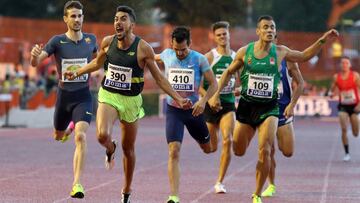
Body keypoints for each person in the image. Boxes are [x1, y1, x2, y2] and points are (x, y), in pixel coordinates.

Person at [64, 6, 191, 203]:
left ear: (132, 24)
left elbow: (159, 78)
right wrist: (78, 71)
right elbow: (97, 64)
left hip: (131, 101)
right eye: (116, 19)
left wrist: (178, 97)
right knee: (101, 135)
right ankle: (109, 148)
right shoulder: (108, 42)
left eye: (123, 19)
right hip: (109, 95)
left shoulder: (143, 48)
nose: (118, 22)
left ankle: (126, 190)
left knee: (128, 149)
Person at [208, 15, 338, 203]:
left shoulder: (281, 52)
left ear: (275, 32)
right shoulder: (245, 52)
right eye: (266, 27)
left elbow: (304, 55)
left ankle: (257, 194)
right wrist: (215, 94)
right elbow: (228, 72)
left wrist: (323, 39)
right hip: (246, 107)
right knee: (238, 150)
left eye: (272, 27)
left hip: (270, 108)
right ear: (258, 31)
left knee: (266, 149)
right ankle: (252, 155)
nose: (269, 30)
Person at [30, 1, 97, 198]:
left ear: (83, 17)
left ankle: (77, 184)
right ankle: (67, 129)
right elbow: (37, 62)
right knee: (58, 136)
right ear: (65, 19)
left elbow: (100, 59)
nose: (77, 19)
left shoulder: (91, 40)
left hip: (84, 96)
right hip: (64, 97)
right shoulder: (57, 41)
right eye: (73, 16)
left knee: (81, 136)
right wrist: (34, 57)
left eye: (80, 16)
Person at [156, 26, 217, 203]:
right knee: (174, 151)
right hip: (174, 111)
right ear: (171, 45)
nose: (180, 53)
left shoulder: (199, 59)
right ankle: (174, 195)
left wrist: (203, 101)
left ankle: (208, 135)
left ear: (189, 44)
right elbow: (146, 56)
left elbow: (213, 84)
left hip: (194, 111)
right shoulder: (166, 54)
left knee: (208, 149)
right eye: (176, 49)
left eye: (183, 50)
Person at [199, 21, 237, 194]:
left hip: (228, 104)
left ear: (229, 35)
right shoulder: (209, 57)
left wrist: (238, 90)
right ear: (214, 37)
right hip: (209, 106)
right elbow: (197, 85)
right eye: (219, 34)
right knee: (211, 148)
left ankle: (220, 181)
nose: (222, 37)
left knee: (228, 140)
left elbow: (242, 82)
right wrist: (209, 99)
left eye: (225, 33)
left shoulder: (237, 57)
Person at [262, 59, 304, 197]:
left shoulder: (289, 60)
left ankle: (280, 140)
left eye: (272, 38)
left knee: (288, 151)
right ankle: (271, 185)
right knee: (267, 150)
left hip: (283, 111)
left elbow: (300, 83)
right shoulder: (255, 59)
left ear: (276, 40)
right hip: (264, 111)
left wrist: (292, 105)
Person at [329, 56, 360, 162]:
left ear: (350, 65)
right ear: (340, 65)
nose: (344, 65)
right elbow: (332, 89)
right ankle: (347, 153)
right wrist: (331, 94)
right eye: (342, 63)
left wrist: (359, 105)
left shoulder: (355, 76)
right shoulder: (336, 77)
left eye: (346, 63)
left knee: (356, 133)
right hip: (343, 106)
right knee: (344, 128)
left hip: (355, 106)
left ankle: (355, 123)